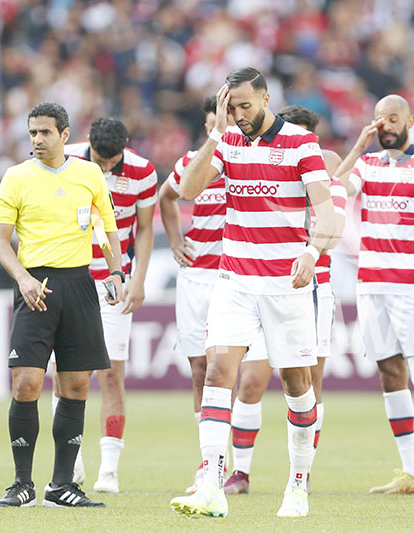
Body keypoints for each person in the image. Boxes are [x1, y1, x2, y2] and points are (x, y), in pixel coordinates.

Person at [168, 67, 339, 518]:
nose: (240, 114)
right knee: (218, 371)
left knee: (298, 386)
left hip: (287, 285)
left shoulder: (302, 143)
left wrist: (311, 251)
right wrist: (216, 135)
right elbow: (187, 190)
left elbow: (328, 215)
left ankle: (298, 485)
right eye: (232, 106)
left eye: (246, 105)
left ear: (265, 99)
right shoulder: (227, 141)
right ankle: (211, 483)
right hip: (235, 280)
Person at [0, 101, 124, 508]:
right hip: (36, 286)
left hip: (79, 284)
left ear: (65, 135)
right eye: (32, 132)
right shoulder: (15, 177)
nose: (37, 140)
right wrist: (24, 278)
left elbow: (108, 227)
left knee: (77, 385)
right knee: (26, 383)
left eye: (45, 132)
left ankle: (62, 485)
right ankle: (22, 484)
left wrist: (116, 272)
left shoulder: (89, 175)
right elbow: (0, 241)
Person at [225, 104, 347, 494]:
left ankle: (302, 473)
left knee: (308, 382)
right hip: (261, 283)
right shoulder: (263, 165)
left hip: (313, 290)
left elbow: (335, 226)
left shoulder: (324, 176)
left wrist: (310, 253)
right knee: (252, 380)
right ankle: (240, 472)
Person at [333, 94, 414, 496]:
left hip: (411, 287)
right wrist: (357, 146)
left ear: (411, 121)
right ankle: (411, 471)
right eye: (380, 119)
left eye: (394, 118)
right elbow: (336, 191)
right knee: (389, 374)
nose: (386, 125)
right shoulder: (367, 163)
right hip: (371, 286)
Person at [60, 117, 157, 494]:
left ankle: (110, 472)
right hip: (70, 277)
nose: (103, 169)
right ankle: (73, 459)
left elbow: (145, 229)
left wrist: (138, 278)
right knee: (68, 372)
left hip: (115, 281)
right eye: (98, 160)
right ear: (88, 146)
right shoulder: (66, 159)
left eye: (111, 163)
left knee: (111, 373)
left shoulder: (142, 170)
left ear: (124, 149)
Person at [158, 96, 240, 494]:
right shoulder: (192, 162)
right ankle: (208, 462)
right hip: (195, 279)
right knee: (199, 372)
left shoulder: (246, 161)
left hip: (236, 279)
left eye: (223, 123)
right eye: (212, 125)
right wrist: (176, 241)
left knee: (227, 371)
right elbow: (166, 197)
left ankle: (229, 463)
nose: (218, 131)